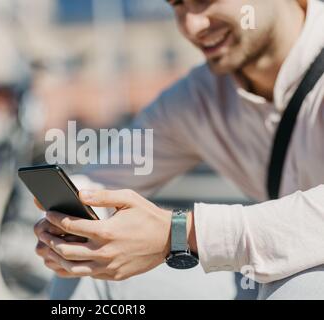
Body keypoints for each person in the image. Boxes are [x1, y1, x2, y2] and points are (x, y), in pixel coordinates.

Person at [33, 0, 324, 300]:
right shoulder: (199, 97)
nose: (192, 26)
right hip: (264, 280)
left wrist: (179, 233)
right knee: (92, 276)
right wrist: (70, 225)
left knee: (300, 288)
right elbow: (105, 180)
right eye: (177, 6)